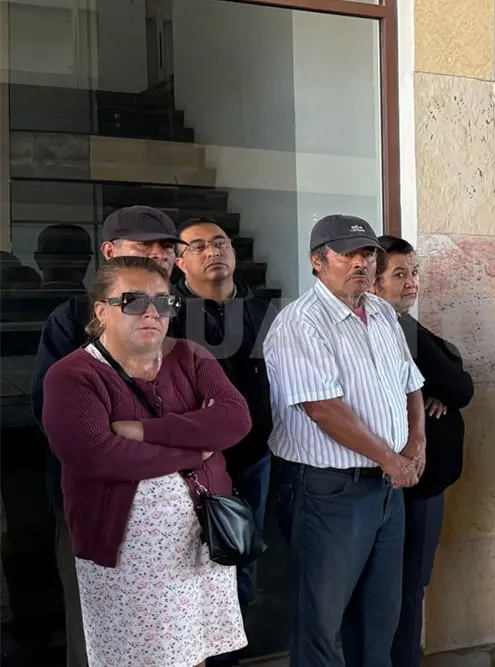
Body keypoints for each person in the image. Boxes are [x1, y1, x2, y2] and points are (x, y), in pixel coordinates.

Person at [41, 256, 252, 667]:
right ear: (101, 310)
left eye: (163, 301)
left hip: (200, 546)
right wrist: (197, 445)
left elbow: (235, 418)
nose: (152, 312)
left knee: (195, 653)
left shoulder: (190, 356)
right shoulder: (73, 375)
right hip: (127, 558)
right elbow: (97, 455)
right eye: (134, 301)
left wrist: (146, 431)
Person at [264, 214, 425, 667]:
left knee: (379, 617)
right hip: (328, 490)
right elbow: (323, 409)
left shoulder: (381, 313)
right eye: (349, 253)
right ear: (318, 261)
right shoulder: (301, 322)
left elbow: (411, 384)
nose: (363, 262)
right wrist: (392, 458)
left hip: (385, 486)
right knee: (321, 623)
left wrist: (416, 446)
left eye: (369, 253)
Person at [30, 205, 182, 667]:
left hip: (177, 512)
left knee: (175, 637)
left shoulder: (182, 314)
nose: (157, 256)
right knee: (99, 640)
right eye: (143, 246)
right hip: (98, 510)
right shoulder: (72, 318)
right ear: (110, 252)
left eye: (165, 248)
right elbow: (75, 430)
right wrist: (180, 438)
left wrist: (149, 430)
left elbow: (222, 415)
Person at [171, 217, 277, 664]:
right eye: (198, 246)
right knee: (189, 575)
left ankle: (230, 655)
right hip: (189, 472)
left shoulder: (263, 312)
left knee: (242, 566)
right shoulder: (168, 316)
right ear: (179, 261)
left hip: (253, 462)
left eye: (219, 242)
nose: (212, 251)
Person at [371, 236, 474, 667]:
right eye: (400, 274)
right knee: (405, 585)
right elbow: (460, 385)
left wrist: (442, 387)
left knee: (410, 584)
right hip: (410, 482)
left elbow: (455, 376)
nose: (412, 282)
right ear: (374, 284)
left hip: (424, 479)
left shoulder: (405, 324)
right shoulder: (393, 328)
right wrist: (443, 386)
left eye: (414, 272)